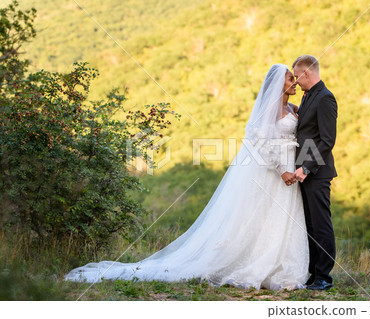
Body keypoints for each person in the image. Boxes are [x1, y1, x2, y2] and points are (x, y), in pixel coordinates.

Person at [64, 64, 309, 291]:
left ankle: (279, 266)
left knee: (281, 217)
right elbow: (259, 142)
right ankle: (253, 264)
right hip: (274, 170)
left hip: (290, 165)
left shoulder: (291, 108)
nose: (295, 81)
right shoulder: (269, 109)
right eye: (291, 78)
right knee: (260, 216)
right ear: (279, 83)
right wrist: (281, 170)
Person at [292, 55, 338, 290]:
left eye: (297, 76)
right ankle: (314, 272)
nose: (296, 81)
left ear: (307, 73)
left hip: (317, 172)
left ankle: (324, 277)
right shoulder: (308, 95)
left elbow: (327, 141)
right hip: (303, 171)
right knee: (309, 224)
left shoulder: (325, 98)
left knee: (320, 223)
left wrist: (307, 168)